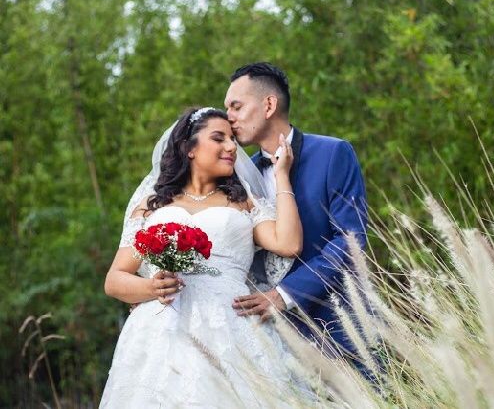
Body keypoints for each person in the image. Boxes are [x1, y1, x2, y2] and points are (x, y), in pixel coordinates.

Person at [100, 107, 305, 408]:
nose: (232, 146)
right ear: (189, 148)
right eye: (219, 138)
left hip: (232, 327)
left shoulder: (243, 202)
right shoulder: (153, 205)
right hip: (161, 331)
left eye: (233, 139)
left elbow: (288, 244)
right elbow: (114, 280)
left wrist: (282, 176)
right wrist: (152, 288)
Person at [225, 63, 369, 361]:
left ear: (269, 105)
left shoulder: (333, 153)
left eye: (236, 106)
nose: (229, 118)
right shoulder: (238, 177)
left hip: (339, 325)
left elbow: (351, 239)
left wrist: (286, 294)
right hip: (270, 339)